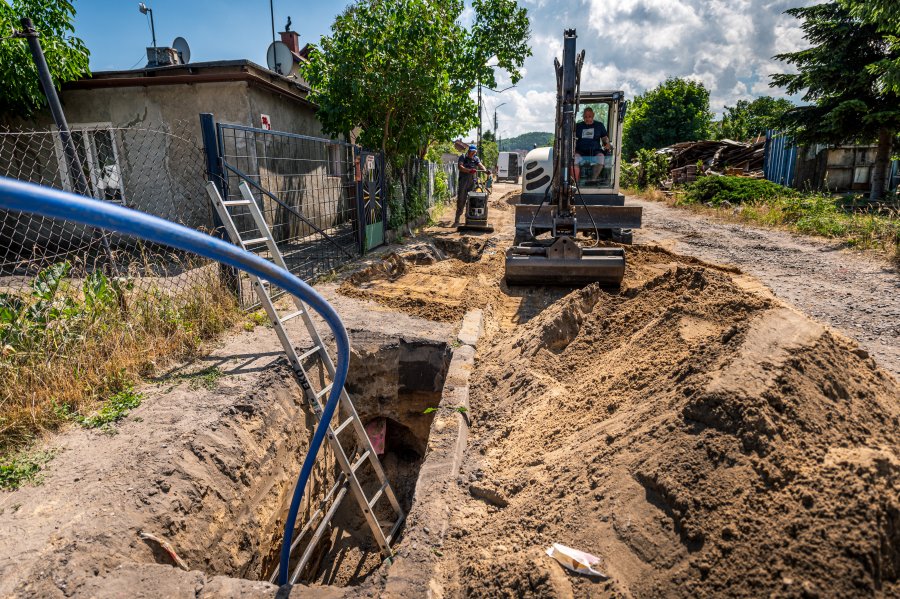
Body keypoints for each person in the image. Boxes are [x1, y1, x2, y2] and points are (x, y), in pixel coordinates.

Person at [574, 107, 610, 182]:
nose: (587, 119)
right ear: (583, 117)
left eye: (589, 116)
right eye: (585, 117)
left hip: (595, 151)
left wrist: (606, 143)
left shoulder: (599, 125)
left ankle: (593, 180)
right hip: (581, 151)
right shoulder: (578, 126)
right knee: (574, 159)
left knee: (601, 157)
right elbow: (572, 137)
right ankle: (576, 182)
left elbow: (604, 138)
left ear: (593, 115)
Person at [454, 144, 488, 225]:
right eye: (472, 152)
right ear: (469, 151)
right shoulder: (463, 157)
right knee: (461, 199)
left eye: (474, 153)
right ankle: (457, 217)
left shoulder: (476, 158)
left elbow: (481, 165)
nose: (473, 154)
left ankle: (469, 217)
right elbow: (460, 167)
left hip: (472, 182)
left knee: (472, 199)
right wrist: (469, 170)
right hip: (463, 181)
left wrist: (486, 171)